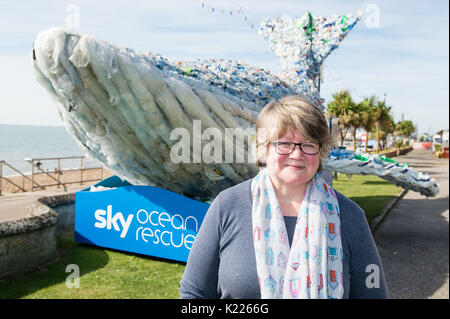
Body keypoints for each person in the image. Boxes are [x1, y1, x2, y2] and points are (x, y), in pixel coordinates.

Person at [179, 95, 388, 299]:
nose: (297, 154)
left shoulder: (350, 216)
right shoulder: (227, 206)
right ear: (265, 149)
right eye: (285, 143)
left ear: (320, 151)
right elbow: (194, 292)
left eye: (308, 144)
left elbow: (374, 293)